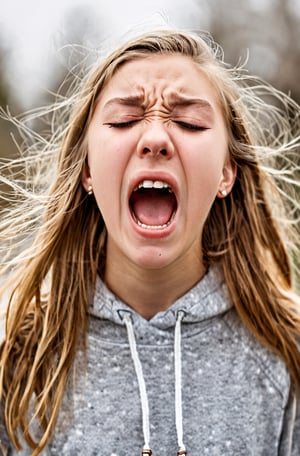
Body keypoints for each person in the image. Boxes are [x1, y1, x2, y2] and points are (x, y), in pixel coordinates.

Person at [0, 29, 300, 456]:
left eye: (189, 122)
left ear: (226, 173)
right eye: (124, 120)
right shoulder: (17, 356)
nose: (156, 139)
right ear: (86, 170)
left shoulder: (286, 355)